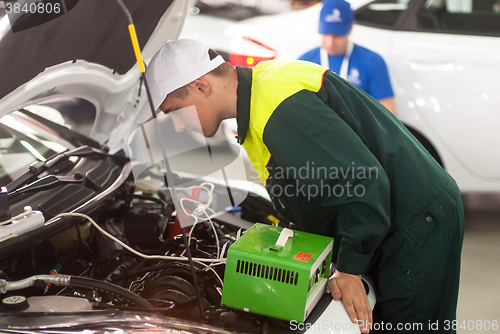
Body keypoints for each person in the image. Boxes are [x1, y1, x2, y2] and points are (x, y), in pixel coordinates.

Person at [135, 39, 464, 333]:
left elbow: (361, 183)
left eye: (175, 112)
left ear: (200, 86)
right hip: (402, 215)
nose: (177, 125)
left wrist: (349, 270)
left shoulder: (277, 107)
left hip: (416, 222)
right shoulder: (263, 89)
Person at [298, 0, 397, 116]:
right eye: (325, 34)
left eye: (337, 36)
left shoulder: (373, 61)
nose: (330, 43)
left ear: (350, 28)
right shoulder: (304, 62)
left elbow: (388, 115)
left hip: (357, 131)